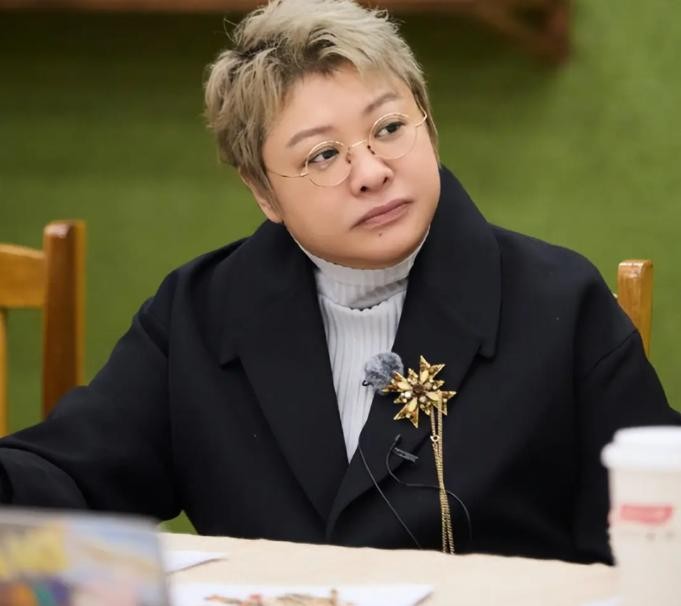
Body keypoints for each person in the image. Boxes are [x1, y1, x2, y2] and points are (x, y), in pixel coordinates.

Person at [0, 0, 678, 564]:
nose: (371, 171)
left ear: (429, 125)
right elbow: (71, 475)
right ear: (262, 190)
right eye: (323, 155)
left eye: (390, 127)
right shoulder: (202, 315)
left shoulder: (557, 303)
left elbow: (656, 526)